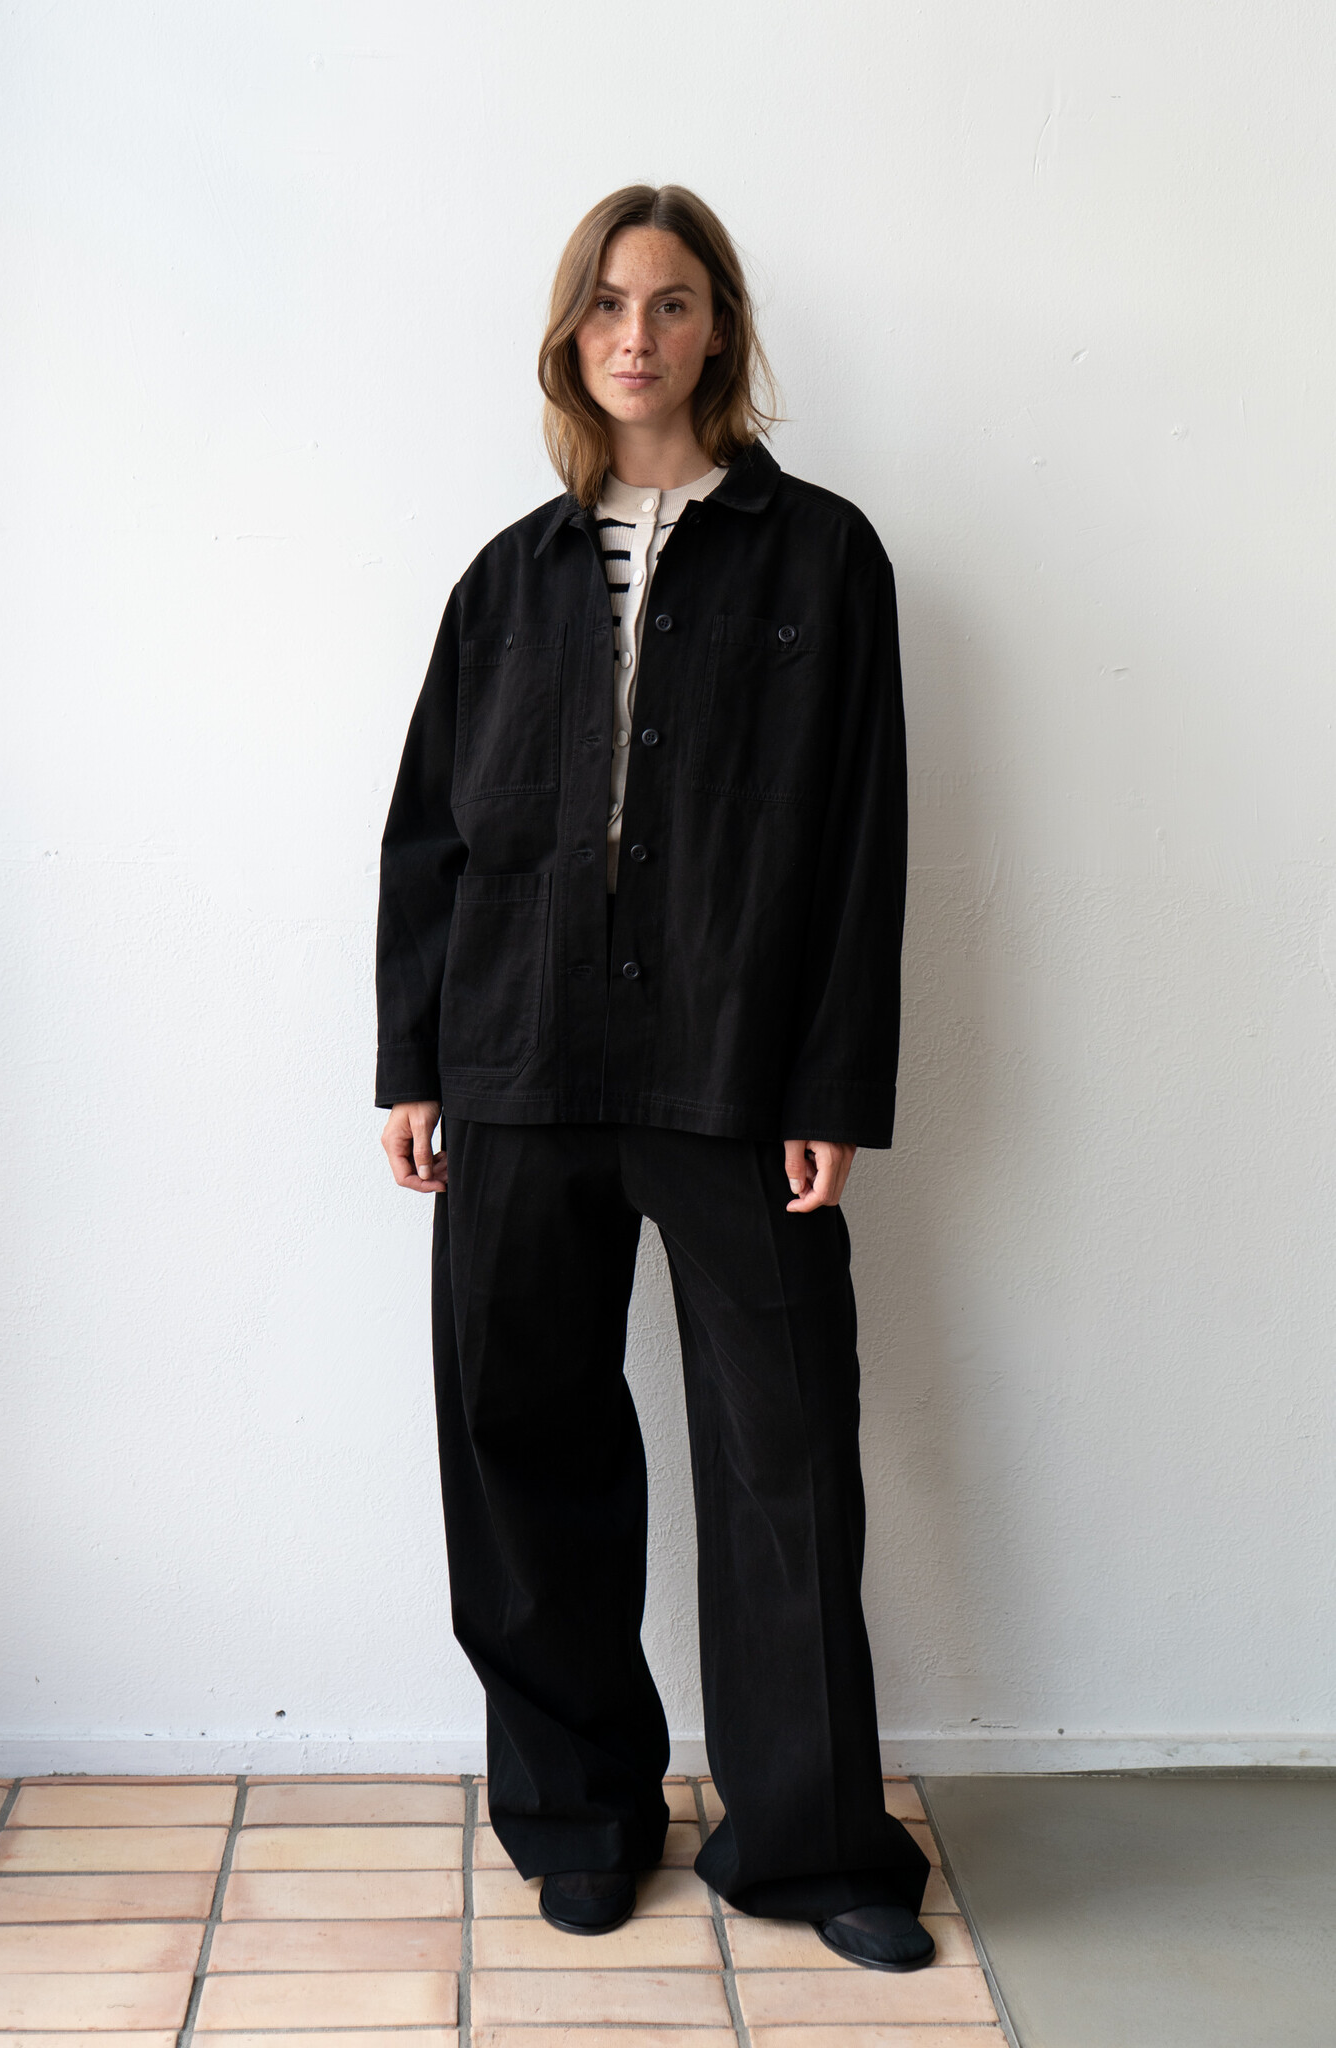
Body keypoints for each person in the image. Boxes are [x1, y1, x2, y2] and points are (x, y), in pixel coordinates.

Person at [375, 184, 929, 1972]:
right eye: (609, 303)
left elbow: (858, 838)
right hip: (516, 1063)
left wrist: (832, 1083)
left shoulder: (821, 557)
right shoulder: (508, 577)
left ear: (719, 330)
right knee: (518, 1443)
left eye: (673, 303)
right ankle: (578, 1813)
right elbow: (430, 835)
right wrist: (409, 1060)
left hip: (732, 1071)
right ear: (571, 333)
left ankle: (815, 1848)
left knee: (785, 1458)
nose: (638, 334)